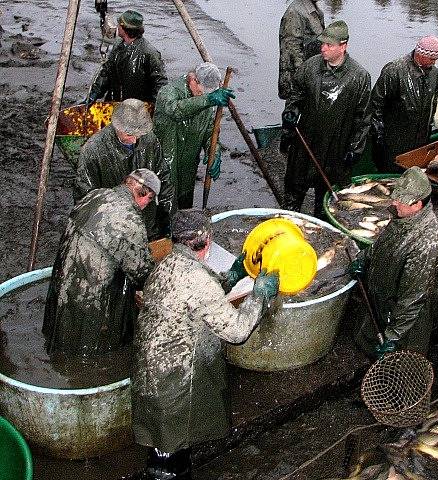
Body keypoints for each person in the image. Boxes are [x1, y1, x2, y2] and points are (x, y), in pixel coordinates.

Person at [131, 209, 280, 480]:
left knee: (164, 440)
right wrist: (260, 295)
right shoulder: (197, 279)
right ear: (207, 241)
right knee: (170, 453)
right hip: (173, 379)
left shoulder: (166, 264)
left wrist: (229, 278)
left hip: (150, 369)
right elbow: (237, 332)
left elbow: (196, 297)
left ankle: (165, 463)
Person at [43, 169, 159, 357]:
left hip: (61, 283)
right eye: (149, 200)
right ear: (144, 193)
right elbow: (142, 272)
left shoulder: (94, 195)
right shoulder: (130, 219)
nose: (147, 205)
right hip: (90, 297)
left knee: (59, 337)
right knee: (85, 351)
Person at [349, 167, 438, 359]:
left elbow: (413, 297)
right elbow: (382, 244)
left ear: (417, 204)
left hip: (407, 318)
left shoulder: (426, 243)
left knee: (400, 360)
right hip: (383, 298)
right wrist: (363, 259)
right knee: (367, 339)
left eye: (401, 200)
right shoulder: (402, 217)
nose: (395, 203)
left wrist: (393, 336)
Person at [280, 20, 371, 218]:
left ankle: (321, 227)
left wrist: (355, 148)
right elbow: (296, 94)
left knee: (325, 204)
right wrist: (291, 112)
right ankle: (288, 221)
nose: (323, 48)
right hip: (305, 142)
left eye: (329, 45)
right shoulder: (310, 66)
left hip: (334, 149)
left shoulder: (360, 77)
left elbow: (362, 118)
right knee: (293, 192)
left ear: (343, 46)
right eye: (322, 44)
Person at [75, 98, 175, 239]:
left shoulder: (150, 140)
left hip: (146, 223)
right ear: (117, 126)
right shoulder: (93, 150)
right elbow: (86, 198)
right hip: (112, 228)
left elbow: (163, 177)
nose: (134, 140)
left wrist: (165, 215)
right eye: (129, 134)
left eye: (139, 133)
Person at [153, 62, 235, 209]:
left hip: (188, 166)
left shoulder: (205, 104)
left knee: (185, 206)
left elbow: (210, 133)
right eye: (201, 91)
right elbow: (175, 110)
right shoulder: (169, 92)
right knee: (164, 206)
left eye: (207, 94)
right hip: (165, 161)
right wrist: (207, 100)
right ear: (193, 79)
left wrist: (214, 152)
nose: (203, 95)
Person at [370, 35, 438, 173]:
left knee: (413, 174)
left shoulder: (435, 74)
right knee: (391, 173)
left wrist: (429, 126)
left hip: (420, 139)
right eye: (432, 59)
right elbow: (376, 103)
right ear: (420, 54)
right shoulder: (394, 71)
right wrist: (378, 131)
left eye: (436, 59)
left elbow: (433, 102)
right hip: (394, 139)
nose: (434, 63)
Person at [86, 10, 168, 105]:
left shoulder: (150, 53)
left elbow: (160, 83)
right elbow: (107, 72)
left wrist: (154, 107)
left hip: (137, 107)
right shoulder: (118, 45)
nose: (117, 27)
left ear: (125, 29)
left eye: (119, 25)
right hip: (115, 102)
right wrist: (94, 93)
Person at [278, 0, 325, 100]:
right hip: (299, 81)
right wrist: (305, 81)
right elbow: (291, 50)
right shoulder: (295, 12)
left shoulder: (314, 10)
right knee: (294, 113)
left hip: (312, 74)